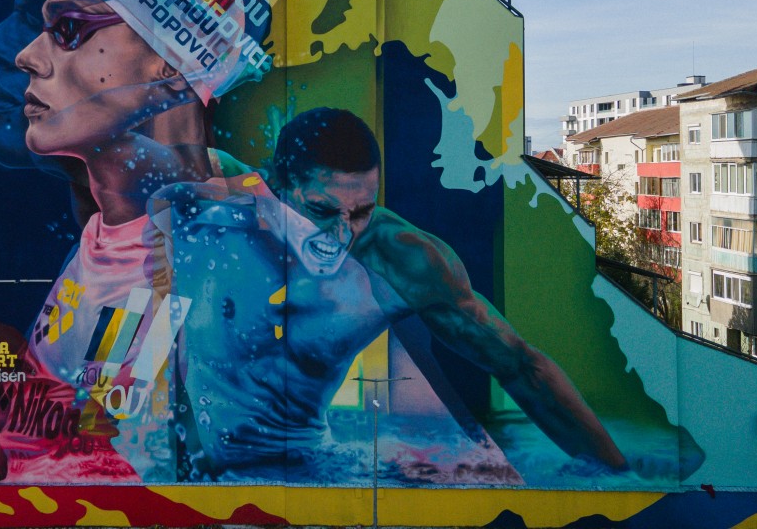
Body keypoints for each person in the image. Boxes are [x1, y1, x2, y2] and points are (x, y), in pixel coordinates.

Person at [0, 0, 282, 483]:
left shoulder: (217, 253)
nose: (27, 57)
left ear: (170, 63)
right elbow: (77, 434)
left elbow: (138, 467)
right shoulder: (115, 229)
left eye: (69, 28)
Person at [153, 107, 626, 483]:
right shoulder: (219, 207)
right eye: (321, 210)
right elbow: (129, 172)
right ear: (279, 184)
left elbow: (521, 366)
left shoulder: (401, 261)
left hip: (305, 469)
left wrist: (619, 479)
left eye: (361, 211)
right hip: (186, 466)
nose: (342, 235)